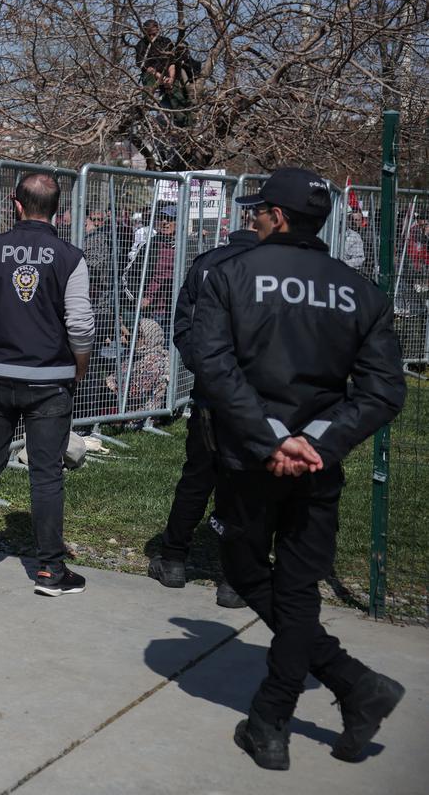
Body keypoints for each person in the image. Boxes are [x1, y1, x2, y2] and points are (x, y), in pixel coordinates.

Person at [191, 168, 406, 770]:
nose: (252, 218)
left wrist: (272, 440)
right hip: (315, 461)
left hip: (251, 459)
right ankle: (348, 686)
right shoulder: (359, 290)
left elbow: (212, 367)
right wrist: (313, 440)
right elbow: (383, 390)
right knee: (296, 588)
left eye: (259, 211)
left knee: (247, 568)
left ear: (279, 218)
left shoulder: (228, 274)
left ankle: (275, 717)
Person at [0, 173, 94, 595]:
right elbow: (81, 325)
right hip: (49, 379)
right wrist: (78, 367)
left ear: (15, 205)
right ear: (58, 210)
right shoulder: (70, 256)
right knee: (46, 476)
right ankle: (49, 569)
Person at [150, 220, 258, 606]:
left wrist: (205, 367)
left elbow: (185, 325)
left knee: (197, 475)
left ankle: (174, 557)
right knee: (244, 485)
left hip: (214, 391)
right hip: (251, 394)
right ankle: (231, 578)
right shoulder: (272, 268)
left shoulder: (208, 263)